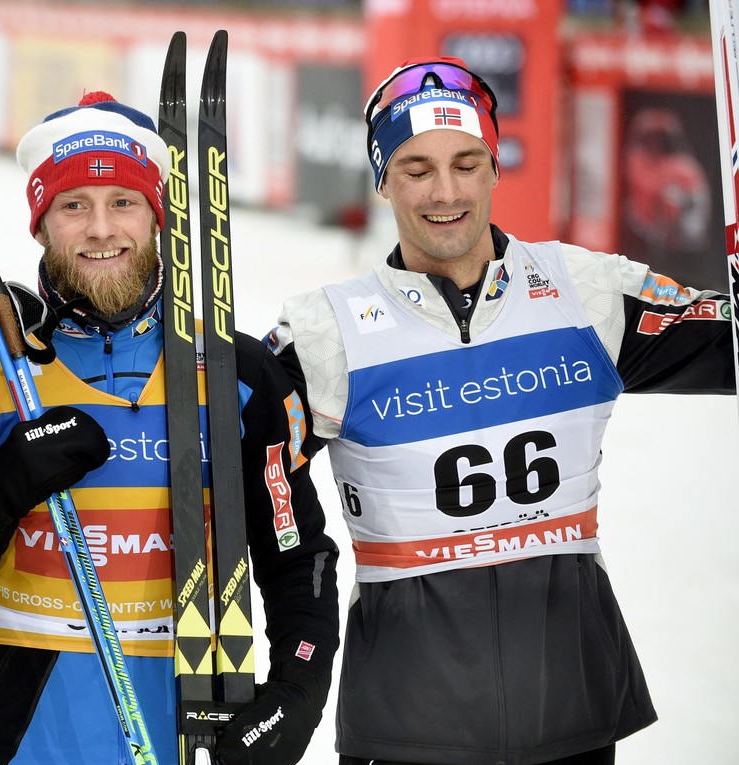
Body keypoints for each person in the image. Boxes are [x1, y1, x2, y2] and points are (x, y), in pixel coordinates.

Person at [266, 56, 737, 765]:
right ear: (383, 178)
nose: (445, 191)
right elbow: (234, 470)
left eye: (465, 162)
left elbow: (723, 344)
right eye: (416, 167)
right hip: (407, 728)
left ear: (493, 165)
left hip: (572, 715)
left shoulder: (587, 291)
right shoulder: (324, 333)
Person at [0, 92, 341, 764]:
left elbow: (297, 555)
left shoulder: (240, 374)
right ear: (41, 224)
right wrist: (4, 486)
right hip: (25, 748)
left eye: (123, 202)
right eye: (73, 205)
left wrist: (301, 683)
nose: (101, 229)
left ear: (156, 216)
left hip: (192, 739)